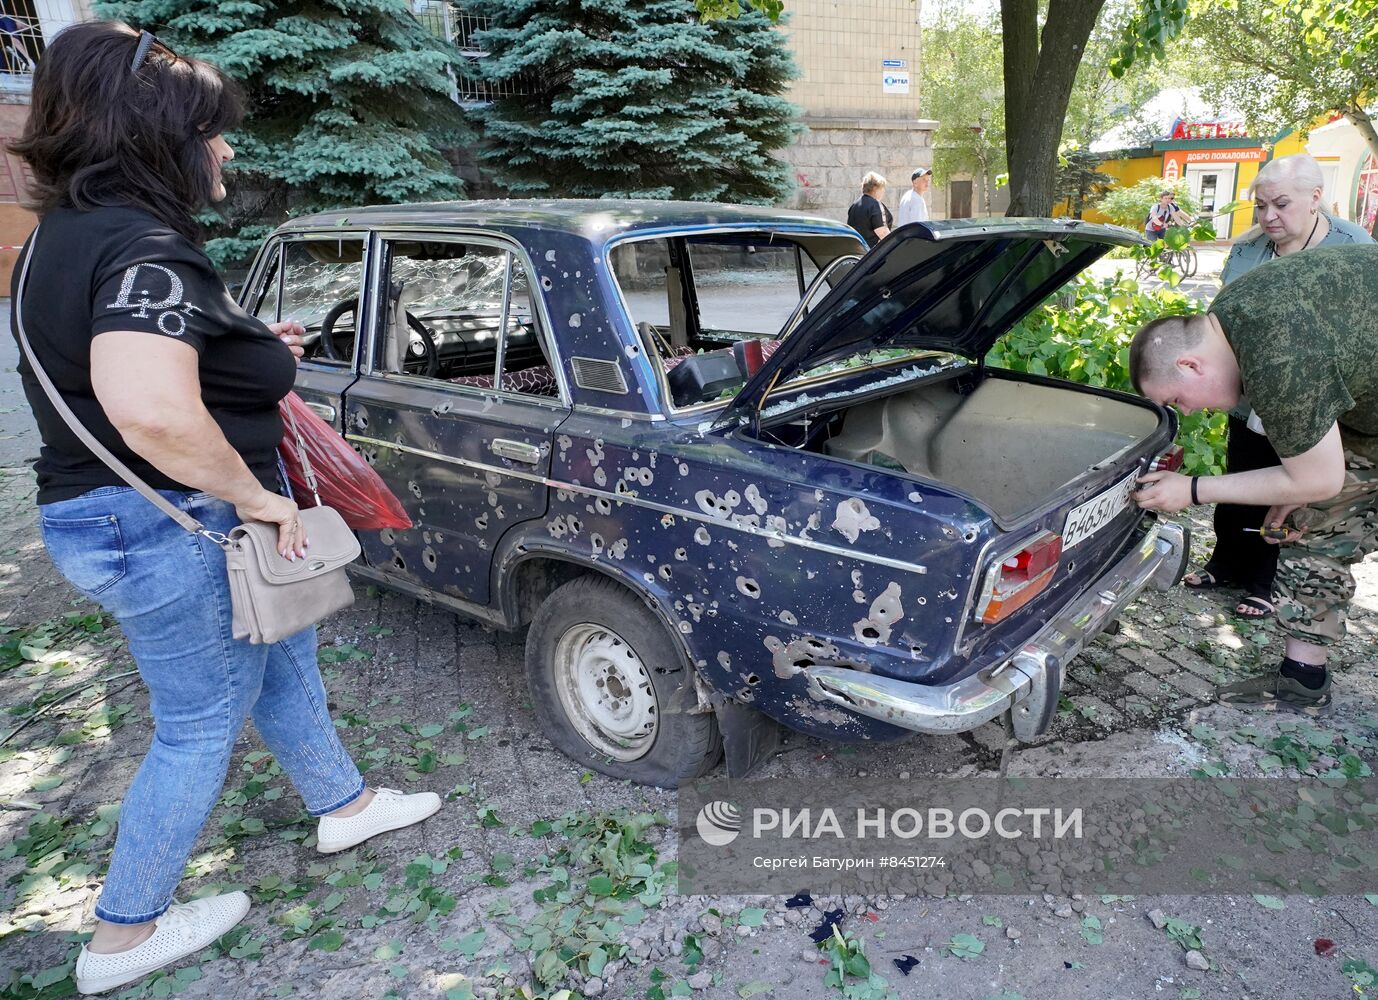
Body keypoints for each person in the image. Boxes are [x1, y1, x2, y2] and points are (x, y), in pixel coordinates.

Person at [7, 22, 441, 995]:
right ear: (156, 137)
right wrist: (257, 500)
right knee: (199, 722)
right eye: (212, 128)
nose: (226, 147)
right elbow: (150, 409)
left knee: (283, 656)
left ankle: (345, 801)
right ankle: (125, 932)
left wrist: (238, 340)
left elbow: (124, 362)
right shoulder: (147, 247)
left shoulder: (66, 238)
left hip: (135, 520)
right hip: (174, 523)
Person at [1129, 244, 1378, 711]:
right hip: (1368, 417)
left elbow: (1321, 480)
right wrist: (1295, 483)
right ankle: (1303, 681)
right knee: (1312, 519)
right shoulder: (1232, 314)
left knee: (1314, 496)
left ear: (1189, 365)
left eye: (1178, 399)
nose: (1188, 410)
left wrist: (1193, 490)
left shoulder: (1276, 360)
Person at [1183, 154, 1374, 619]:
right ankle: (1226, 562)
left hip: (1319, 400)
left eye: (1281, 204)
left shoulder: (1353, 244)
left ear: (1315, 199)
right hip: (1248, 394)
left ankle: (1265, 583)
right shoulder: (1247, 250)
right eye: (1261, 205)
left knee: (1290, 489)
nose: (1269, 216)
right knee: (1240, 475)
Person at [846, 172, 893, 248]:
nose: (884, 191)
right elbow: (882, 232)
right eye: (882, 188)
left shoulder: (854, 205)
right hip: (871, 252)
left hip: (855, 250)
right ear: (875, 188)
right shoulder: (875, 205)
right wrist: (893, 245)